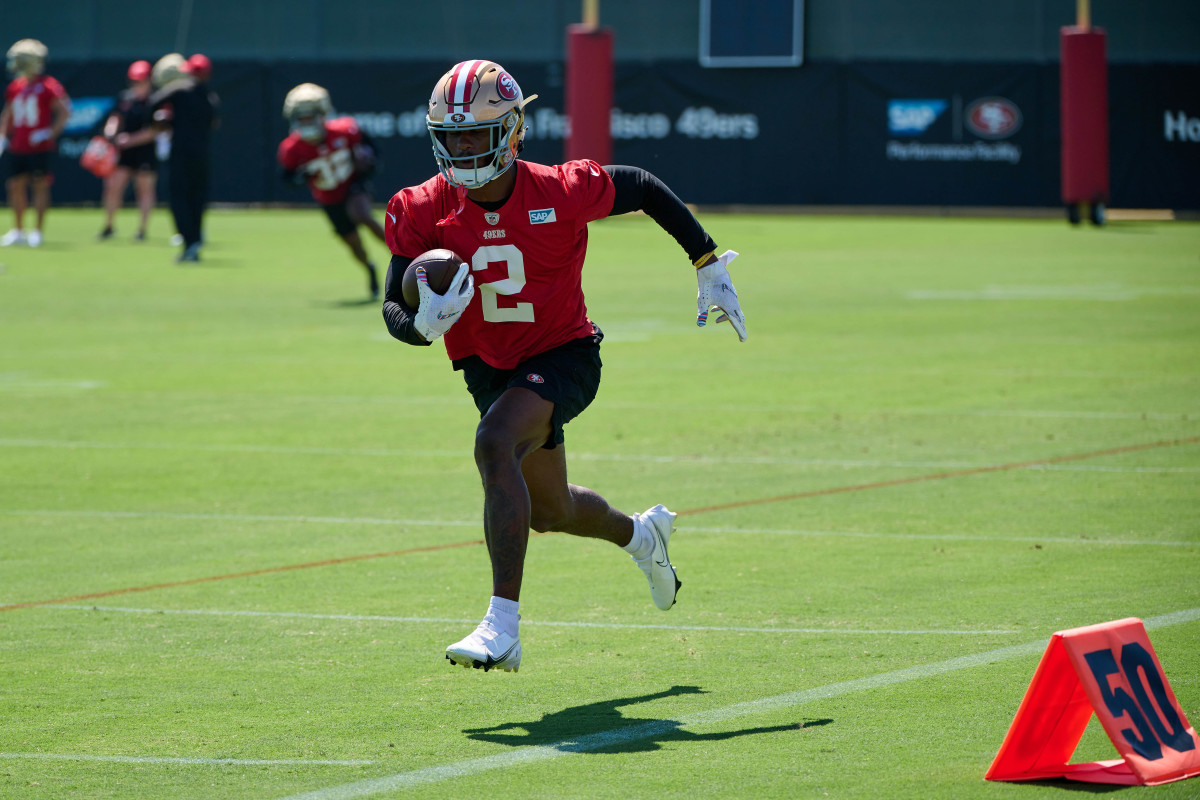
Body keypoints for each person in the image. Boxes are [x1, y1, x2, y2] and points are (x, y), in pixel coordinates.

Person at [381, 60, 747, 673]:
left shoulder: (559, 187)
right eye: (452, 134)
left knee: (494, 442)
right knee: (550, 511)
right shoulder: (420, 208)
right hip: (490, 369)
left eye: (476, 132)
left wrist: (705, 259)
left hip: (565, 353)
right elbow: (394, 305)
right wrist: (419, 328)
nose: (463, 145)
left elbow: (644, 185)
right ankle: (642, 536)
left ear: (512, 131)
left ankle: (503, 625)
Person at [278, 83, 385, 298]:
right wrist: (300, 178)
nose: (306, 123)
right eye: (302, 119)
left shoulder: (345, 130)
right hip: (328, 197)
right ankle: (370, 268)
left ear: (322, 115)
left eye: (310, 117)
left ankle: (403, 252)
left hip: (352, 184)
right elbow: (287, 178)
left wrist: (368, 163)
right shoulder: (291, 148)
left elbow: (371, 150)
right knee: (354, 244)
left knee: (362, 214)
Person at [117, 53, 218, 262]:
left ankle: (188, 243)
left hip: (180, 154)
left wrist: (160, 122)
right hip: (202, 156)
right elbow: (215, 123)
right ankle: (196, 240)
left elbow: (152, 104)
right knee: (197, 198)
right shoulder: (210, 96)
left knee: (179, 198)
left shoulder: (179, 88)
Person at [0, 39, 70, 248]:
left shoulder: (48, 85)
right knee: (14, 186)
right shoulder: (15, 87)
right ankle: (18, 230)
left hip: (39, 148)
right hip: (18, 145)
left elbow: (64, 111)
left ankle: (37, 231)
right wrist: (3, 136)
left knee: (39, 186)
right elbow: (8, 114)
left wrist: (49, 133)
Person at [98, 60, 157, 241]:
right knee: (112, 187)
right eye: (134, 81)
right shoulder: (125, 99)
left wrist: (129, 140)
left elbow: (153, 131)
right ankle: (109, 226)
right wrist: (110, 133)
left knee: (144, 190)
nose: (137, 85)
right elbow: (115, 118)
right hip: (123, 152)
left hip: (145, 151)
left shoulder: (155, 101)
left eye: (141, 81)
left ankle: (142, 230)